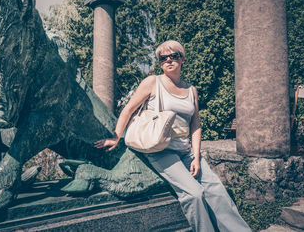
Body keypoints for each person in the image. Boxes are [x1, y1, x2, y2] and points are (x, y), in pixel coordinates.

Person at [95, 40, 251, 231]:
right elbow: (129, 109)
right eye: (163, 58)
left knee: (217, 192)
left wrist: (196, 156)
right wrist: (116, 136)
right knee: (194, 194)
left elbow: (195, 125)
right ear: (160, 62)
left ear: (182, 59)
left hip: (186, 151)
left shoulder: (191, 89)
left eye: (174, 56)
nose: (169, 60)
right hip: (160, 149)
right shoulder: (153, 82)